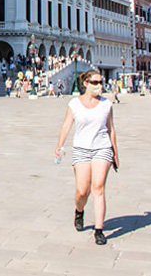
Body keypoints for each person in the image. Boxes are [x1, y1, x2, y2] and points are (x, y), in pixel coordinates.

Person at [54, 70, 119, 246]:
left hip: (102, 148)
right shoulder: (74, 104)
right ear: (86, 84)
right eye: (95, 82)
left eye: (101, 82)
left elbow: (111, 129)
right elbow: (67, 124)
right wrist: (59, 146)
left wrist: (115, 153)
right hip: (81, 149)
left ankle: (99, 230)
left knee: (98, 187)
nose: (99, 85)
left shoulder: (107, 104)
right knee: (82, 191)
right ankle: (79, 210)